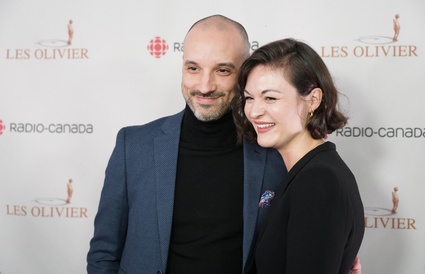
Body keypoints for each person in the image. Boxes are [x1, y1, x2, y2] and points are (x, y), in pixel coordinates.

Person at [87, 15, 361, 274]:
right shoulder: (133, 146)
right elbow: (104, 253)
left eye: (222, 70)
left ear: (244, 75)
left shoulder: (277, 152)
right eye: (193, 68)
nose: (205, 86)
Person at [232, 38, 364, 273]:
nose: (253, 111)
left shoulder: (319, 180)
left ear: (312, 100)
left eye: (270, 97)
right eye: (249, 98)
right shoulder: (307, 172)